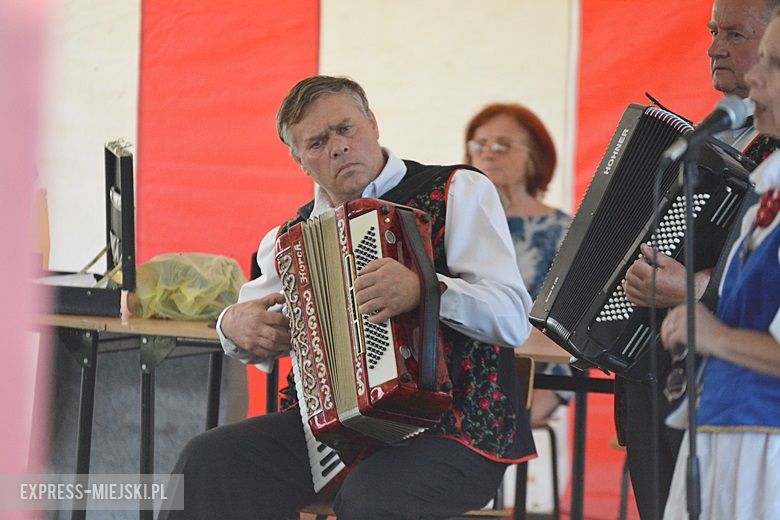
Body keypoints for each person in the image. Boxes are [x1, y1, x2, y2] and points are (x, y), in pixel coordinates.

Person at [158, 76, 536, 520]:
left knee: (372, 497)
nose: (337, 146)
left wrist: (425, 290)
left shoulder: (456, 191)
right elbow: (247, 326)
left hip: (453, 431)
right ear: (300, 160)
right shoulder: (289, 240)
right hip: (331, 438)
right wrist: (232, 325)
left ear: (373, 124)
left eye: (346, 128)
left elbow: (512, 317)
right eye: (317, 142)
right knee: (210, 462)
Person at [620, 0, 780, 517]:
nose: (756, 80)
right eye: (713, 31)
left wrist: (703, 318)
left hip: (763, 436)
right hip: (710, 416)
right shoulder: (765, 177)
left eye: (772, 64)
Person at [463, 103, 572, 426]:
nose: (488, 154)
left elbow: (571, 329)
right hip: (459, 385)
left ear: (534, 157)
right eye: (479, 145)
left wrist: (543, 400)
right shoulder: (455, 226)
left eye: (503, 145)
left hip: (537, 389)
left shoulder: (564, 233)